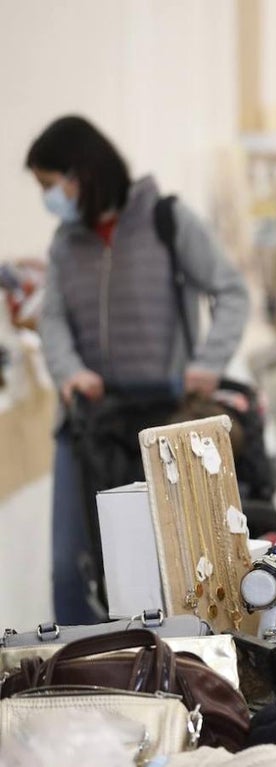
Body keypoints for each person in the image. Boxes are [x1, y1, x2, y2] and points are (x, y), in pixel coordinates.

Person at [28, 115, 250, 624]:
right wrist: (69, 373)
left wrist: (208, 363)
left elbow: (231, 291)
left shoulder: (165, 220)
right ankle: (78, 675)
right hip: (89, 423)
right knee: (72, 566)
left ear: (81, 172)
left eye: (48, 184)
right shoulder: (66, 243)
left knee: (166, 565)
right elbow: (53, 321)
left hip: (164, 421)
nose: (48, 198)